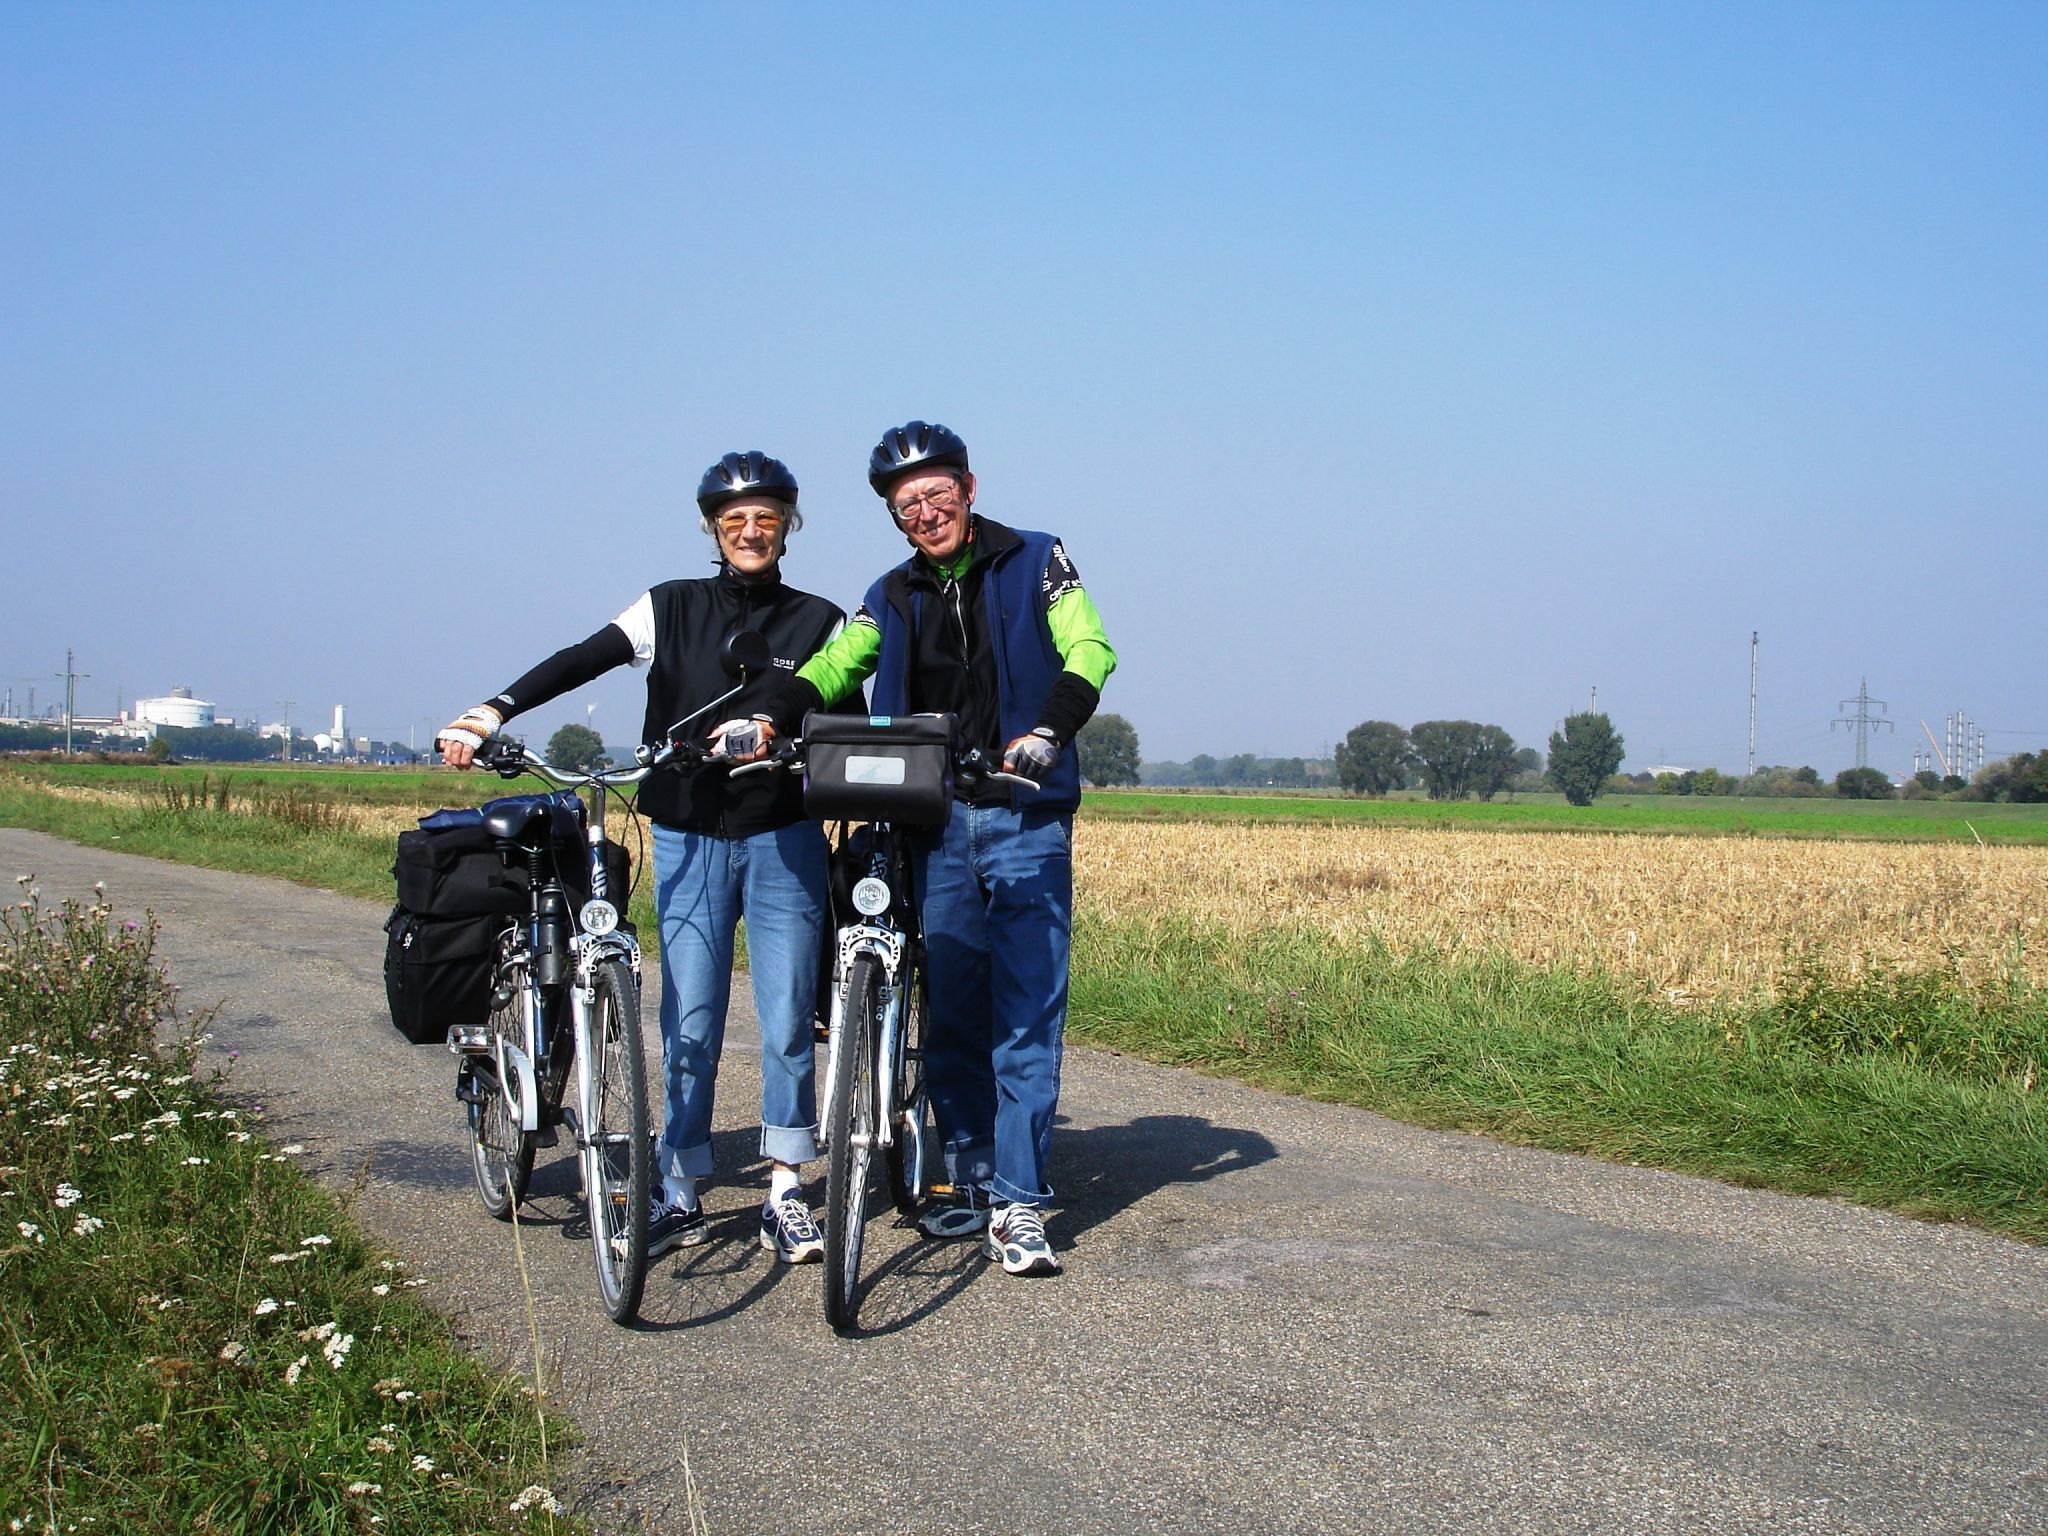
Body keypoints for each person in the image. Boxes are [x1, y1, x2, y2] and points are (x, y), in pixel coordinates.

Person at [438, 451, 853, 1263]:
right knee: (688, 1021)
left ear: (788, 527)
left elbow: (846, 721)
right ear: (711, 528)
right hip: (689, 832)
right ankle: (680, 1186)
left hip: (782, 838)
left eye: (766, 517)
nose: (750, 531)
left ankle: (785, 1188)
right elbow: (581, 658)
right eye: (733, 519)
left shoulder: (821, 620)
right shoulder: (670, 606)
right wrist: (492, 709)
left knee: (785, 1021)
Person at [753, 420, 1116, 1276]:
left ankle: (1023, 1205)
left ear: (970, 489)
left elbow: (1091, 648)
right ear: (894, 515)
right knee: (953, 1005)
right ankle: (971, 1176)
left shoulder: (1039, 558)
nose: (925, 511)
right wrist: (772, 714)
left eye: (936, 494)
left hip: (1025, 814)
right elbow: (837, 665)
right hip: (935, 820)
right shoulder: (891, 594)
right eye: (906, 503)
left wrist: (1047, 733)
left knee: (1025, 1011)